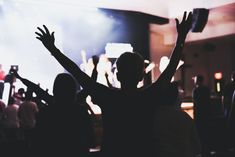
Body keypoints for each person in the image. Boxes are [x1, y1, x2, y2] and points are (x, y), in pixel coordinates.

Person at [35, 12, 192, 157]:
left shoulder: (108, 97)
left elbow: (77, 73)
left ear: (117, 75)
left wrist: (53, 49)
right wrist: (181, 38)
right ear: (141, 77)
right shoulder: (149, 97)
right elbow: (171, 69)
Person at [13, 71, 94, 157]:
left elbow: (37, 90)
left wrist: (20, 78)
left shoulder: (46, 112)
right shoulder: (81, 112)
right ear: (73, 90)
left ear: (54, 90)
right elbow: (90, 140)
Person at [154, 82, 201, 157]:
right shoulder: (185, 118)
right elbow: (197, 147)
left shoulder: (154, 116)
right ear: (176, 97)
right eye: (180, 94)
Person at [192, 74, 211, 156]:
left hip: (199, 115)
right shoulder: (207, 89)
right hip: (206, 114)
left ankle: (201, 150)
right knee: (206, 132)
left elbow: (195, 103)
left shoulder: (195, 90)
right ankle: (207, 150)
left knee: (199, 133)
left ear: (197, 81)